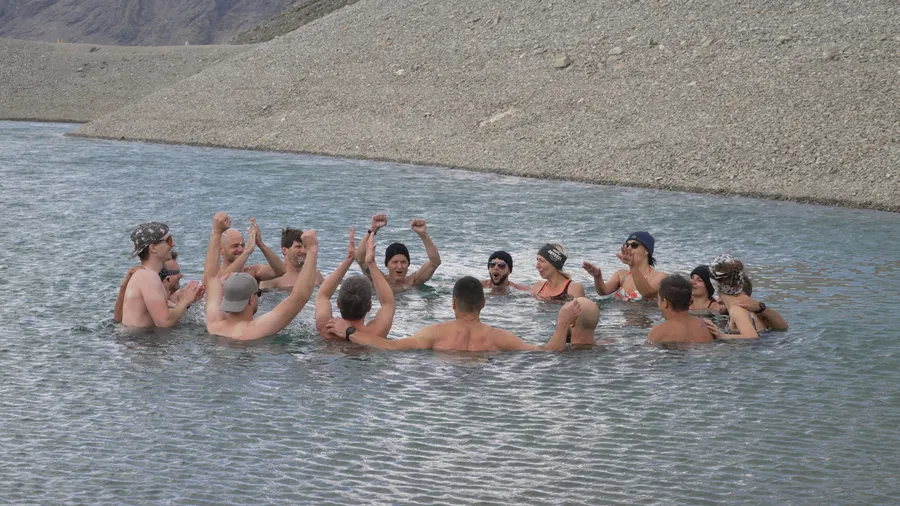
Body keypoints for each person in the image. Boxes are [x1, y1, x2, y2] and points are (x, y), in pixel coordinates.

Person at [324, 276, 581, 352]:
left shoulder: (436, 333)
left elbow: (388, 347)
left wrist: (348, 332)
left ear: (453, 305)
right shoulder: (500, 338)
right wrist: (562, 322)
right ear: (483, 304)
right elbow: (547, 352)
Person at [203, 212, 319, 341]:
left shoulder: (214, 325)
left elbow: (211, 279)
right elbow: (299, 298)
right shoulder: (257, 330)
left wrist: (216, 232)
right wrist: (312, 249)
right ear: (251, 300)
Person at [315, 228, 395, 340]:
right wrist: (371, 263)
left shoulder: (326, 329)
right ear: (369, 307)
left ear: (338, 304)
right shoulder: (375, 335)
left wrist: (349, 259)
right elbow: (388, 303)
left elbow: (322, 295)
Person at [119, 222, 203, 327]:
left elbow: (165, 313)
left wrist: (188, 300)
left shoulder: (146, 275)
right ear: (153, 248)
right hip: (138, 341)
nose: (173, 244)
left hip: (136, 339)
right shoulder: (148, 277)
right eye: (169, 240)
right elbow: (164, 322)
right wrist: (185, 301)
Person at [355, 213, 441, 290]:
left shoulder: (414, 281)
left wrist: (423, 234)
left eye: (403, 262)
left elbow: (435, 262)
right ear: (386, 264)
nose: (399, 266)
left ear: (408, 264)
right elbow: (360, 259)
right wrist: (372, 230)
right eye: (395, 262)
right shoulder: (379, 280)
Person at [583, 231, 666, 301]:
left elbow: (647, 293)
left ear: (646, 251)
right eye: (627, 245)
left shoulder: (660, 277)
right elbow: (603, 292)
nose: (629, 248)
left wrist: (632, 265)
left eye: (634, 245)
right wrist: (597, 277)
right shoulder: (621, 275)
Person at [703, 254, 766, 338]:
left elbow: (752, 337)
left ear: (715, 284)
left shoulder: (737, 309)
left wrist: (722, 335)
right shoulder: (740, 306)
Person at [647, 275, 717, 344]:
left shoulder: (658, 331)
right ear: (690, 299)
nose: (658, 303)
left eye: (658, 299)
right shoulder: (707, 327)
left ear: (665, 303)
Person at [219, 217, 286, 282]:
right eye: (235, 246)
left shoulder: (252, 272)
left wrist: (260, 244)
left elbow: (281, 270)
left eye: (242, 245)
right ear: (221, 250)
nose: (241, 249)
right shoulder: (215, 276)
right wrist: (248, 250)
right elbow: (227, 279)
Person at [259, 227, 325, 289]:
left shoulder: (315, 274)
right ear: (285, 250)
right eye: (298, 247)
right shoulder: (272, 277)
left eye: (305, 246)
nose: (304, 251)